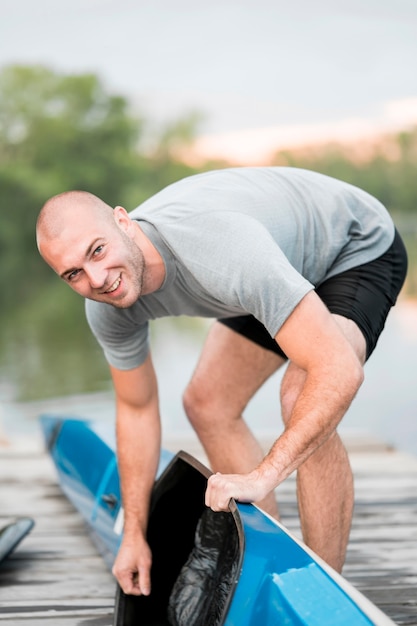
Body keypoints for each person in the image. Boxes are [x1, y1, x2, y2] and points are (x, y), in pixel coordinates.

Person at [36, 166, 407, 596]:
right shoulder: (107, 306)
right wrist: (134, 535)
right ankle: (271, 559)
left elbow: (340, 370)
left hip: (351, 246)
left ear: (123, 221)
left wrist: (263, 475)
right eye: (73, 274)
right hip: (271, 262)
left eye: (97, 251)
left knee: (302, 393)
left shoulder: (220, 249)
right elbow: (136, 409)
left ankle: (323, 592)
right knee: (207, 403)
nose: (96, 280)